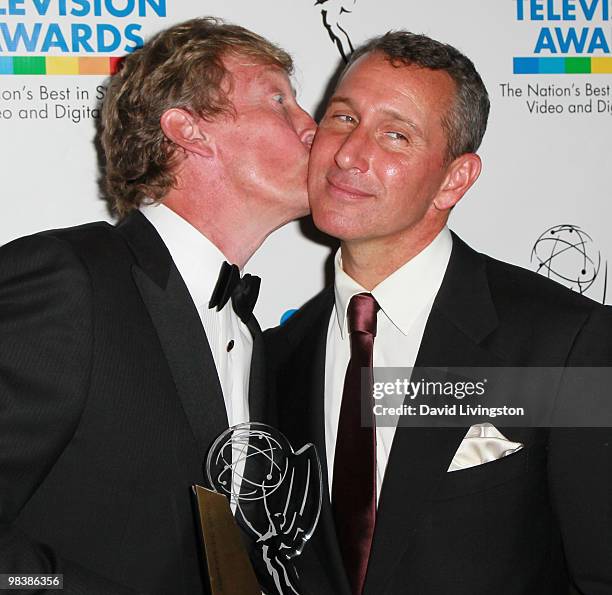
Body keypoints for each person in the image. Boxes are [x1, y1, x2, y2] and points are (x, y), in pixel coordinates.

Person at [266, 31, 612, 595]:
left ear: (455, 179)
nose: (350, 155)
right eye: (343, 119)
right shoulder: (280, 356)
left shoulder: (565, 340)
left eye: (395, 135)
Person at [0, 17, 315, 594]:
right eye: (279, 100)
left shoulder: (248, 335)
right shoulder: (69, 281)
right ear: (189, 130)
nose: (311, 127)